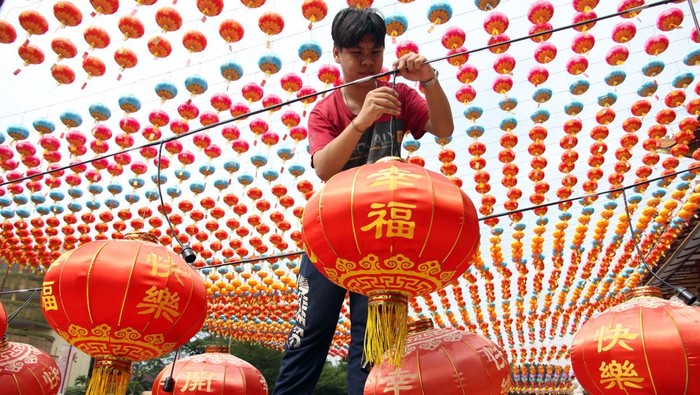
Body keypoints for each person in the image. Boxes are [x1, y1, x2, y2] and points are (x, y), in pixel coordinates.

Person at [272, 7, 453, 395]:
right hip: (331, 237)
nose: (367, 61)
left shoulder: (401, 94)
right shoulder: (325, 109)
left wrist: (429, 80)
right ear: (336, 54)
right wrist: (362, 119)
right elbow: (323, 168)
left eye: (375, 51)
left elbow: (444, 129)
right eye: (356, 52)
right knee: (307, 334)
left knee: (372, 344)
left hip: (382, 234)